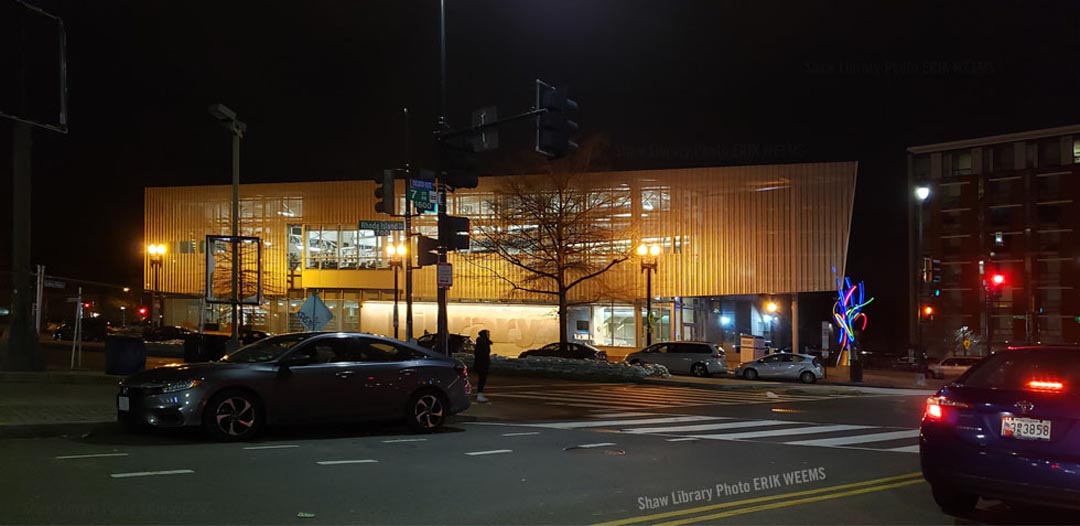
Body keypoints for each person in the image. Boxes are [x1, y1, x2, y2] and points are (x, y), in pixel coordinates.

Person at [474, 329, 492, 403]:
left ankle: (480, 393)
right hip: (482, 364)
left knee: (482, 378)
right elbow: (481, 354)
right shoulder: (482, 343)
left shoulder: (482, 342)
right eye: (487, 334)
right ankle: (479, 394)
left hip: (482, 363)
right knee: (482, 379)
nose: (489, 335)